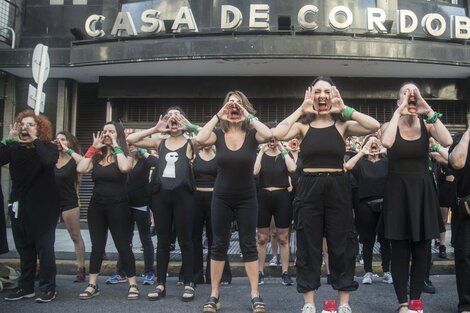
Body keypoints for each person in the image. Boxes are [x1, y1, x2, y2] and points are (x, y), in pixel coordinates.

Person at [273, 76, 380, 313]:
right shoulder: (302, 125)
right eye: (317, 91)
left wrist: (346, 109)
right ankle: (309, 302)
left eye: (327, 92)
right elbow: (277, 134)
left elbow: (374, 126)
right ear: (311, 94)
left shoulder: (343, 124)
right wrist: (301, 109)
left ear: (333, 95)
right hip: (308, 187)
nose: (322, 96)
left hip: (338, 186)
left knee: (342, 244)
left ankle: (343, 302)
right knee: (308, 244)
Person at [195, 90, 272, 313]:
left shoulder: (251, 135)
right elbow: (199, 139)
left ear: (245, 107)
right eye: (230, 104)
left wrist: (249, 117)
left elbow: (268, 135)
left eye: (238, 103)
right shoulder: (217, 135)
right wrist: (219, 116)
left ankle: (255, 295)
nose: (234, 106)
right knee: (218, 244)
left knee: (249, 243)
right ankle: (214, 295)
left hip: (247, 197)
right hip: (221, 197)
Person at [381, 82, 452, 313]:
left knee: (422, 248)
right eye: (405, 93)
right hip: (398, 191)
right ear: (397, 100)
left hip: (422, 191)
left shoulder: (426, 124)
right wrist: (398, 113)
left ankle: (415, 301)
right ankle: (402, 303)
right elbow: (387, 142)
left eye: (414, 92)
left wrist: (428, 109)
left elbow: (448, 140)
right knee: (399, 249)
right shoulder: (388, 124)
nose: (410, 96)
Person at [127, 107, 198, 302]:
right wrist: (155, 128)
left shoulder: (192, 142)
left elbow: (210, 137)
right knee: (163, 242)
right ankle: (160, 284)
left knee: (186, 241)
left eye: (177, 115)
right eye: (170, 116)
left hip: (184, 196)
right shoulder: (159, 142)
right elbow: (131, 140)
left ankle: (189, 283)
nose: (173, 119)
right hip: (161, 197)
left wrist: (188, 125)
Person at [1, 110, 60, 303]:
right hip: (20, 204)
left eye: (31, 124)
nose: (25, 127)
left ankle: (48, 287)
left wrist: (35, 139)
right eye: (22, 124)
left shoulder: (48, 147)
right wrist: (7, 140)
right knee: (24, 249)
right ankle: (25, 287)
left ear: (40, 128)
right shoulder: (14, 147)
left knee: (44, 248)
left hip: (44, 206)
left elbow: (48, 161)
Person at [76, 121, 139, 300]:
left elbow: (125, 168)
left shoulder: (127, 154)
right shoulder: (97, 156)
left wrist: (117, 145)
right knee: (97, 246)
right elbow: (81, 168)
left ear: (118, 134)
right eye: (104, 131)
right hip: (96, 206)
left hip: (118, 205)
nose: (107, 134)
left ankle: (133, 284)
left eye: (111, 131)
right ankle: (92, 284)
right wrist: (93, 148)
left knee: (122, 246)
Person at [106, 144, 158, 285]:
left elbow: (157, 163)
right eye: (128, 145)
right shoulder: (121, 160)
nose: (131, 148)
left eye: (134, 145)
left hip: (141, 204)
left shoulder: (144, 161)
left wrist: (143, 151)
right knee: (125, 240)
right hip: (124, 204)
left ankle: (149, 273)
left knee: (145, 238)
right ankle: (121, 272)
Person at [344, 134, 392, 285]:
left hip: (386, 204)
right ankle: (368, 272)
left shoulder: (387, 161)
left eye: (376, 142)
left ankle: (387, 271)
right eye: (370, 142)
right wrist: (362, 152)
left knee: (385, 239)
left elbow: (399, 163)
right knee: (368, 240)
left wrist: (385, 149)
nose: (374, 144)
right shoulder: (361, 163)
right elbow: (348, 166)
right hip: (365, 205)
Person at [254, 135, 296, 286]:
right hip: (263, 196)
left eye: (274, 140)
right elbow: (254, 171)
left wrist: (282, 149)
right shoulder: (260, 155)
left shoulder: (285, 154)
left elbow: (292, 168)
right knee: (262, 238)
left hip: (282, 196)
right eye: (269, 140)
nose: (272, 143)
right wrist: (261, 151)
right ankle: (259, 272)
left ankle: (285, 272)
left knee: (283, 237)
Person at [192, 145, 232, 285]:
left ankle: (219, 276)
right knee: (194, 237)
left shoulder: (219, 157)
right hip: (195, 198)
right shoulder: (193, 157)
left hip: (215, 198)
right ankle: (193, 276)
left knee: (216, 237)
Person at [54, 131, 87, 283]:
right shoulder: (50, 157)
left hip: (69, 201)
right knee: (44, 237)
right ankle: (40, 266)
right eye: (57, 139)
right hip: (49, 202)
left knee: (75, 236)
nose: (59, 141)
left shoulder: (73, 159)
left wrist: (68, 150)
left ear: (69, 142)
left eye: (63, 139)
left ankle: (80, 268)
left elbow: (84, 163)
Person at [448, 114, 470, 313]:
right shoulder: (460, 138)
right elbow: (456, 162)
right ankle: (466, 304)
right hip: (466, 209)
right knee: (465, 256)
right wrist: (469, 134)